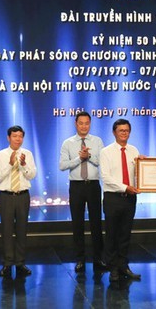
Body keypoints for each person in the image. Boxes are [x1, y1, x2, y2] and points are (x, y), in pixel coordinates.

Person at [59, 111, 105, 273]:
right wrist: (79, 158)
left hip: (93, 185)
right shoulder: (68, 143)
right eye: (81, 123)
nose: (84, 126)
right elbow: (62, 165)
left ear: (90, 124)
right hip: (76, 186)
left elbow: (102, 162)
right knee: (77, 223)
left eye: (87, 123)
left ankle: (98, 259)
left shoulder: (97, 141)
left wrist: (89, 156)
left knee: (96, 223)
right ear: (76, 124)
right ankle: (80, 259)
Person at [99, 118, 141, 282]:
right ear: (114, 132)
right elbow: (106, 178)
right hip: (113, 198)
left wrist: (144, 165)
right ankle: (113, 268)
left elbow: (138, 174)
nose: (124, 133)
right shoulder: (106, 152)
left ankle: (123, 266)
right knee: (112, 234)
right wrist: (125, 187)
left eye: (127, 130)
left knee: (125, 234)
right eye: (121, 130)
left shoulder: (134, 150)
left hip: (130, 198)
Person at [0, 125, 37, 278]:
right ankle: (7, 263)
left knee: (22, 230)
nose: (18, 139)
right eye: (15, 136)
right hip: (6, 196)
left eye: (20, 136)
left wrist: (24, 165)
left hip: (23, 196)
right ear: (8, 138)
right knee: (6, 230)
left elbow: (32, 175)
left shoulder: (28, 154)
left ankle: (20, 263)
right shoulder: (0, 155)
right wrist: (10, 164)